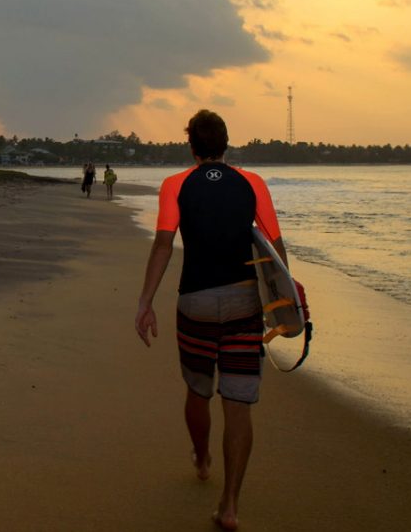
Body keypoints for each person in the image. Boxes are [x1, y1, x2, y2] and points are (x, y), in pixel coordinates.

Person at [134, 110, 287, 531]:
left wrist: (145, 302)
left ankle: (201, 458)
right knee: (238, 402)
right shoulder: (252, 183)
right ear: (226, 144)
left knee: (199, 389)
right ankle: (230, 505)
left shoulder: (175, 185)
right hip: (243, 303)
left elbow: (164, 245)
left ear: (192, 145)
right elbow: (274, 246)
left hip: (195, 303)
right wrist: (283, 302)